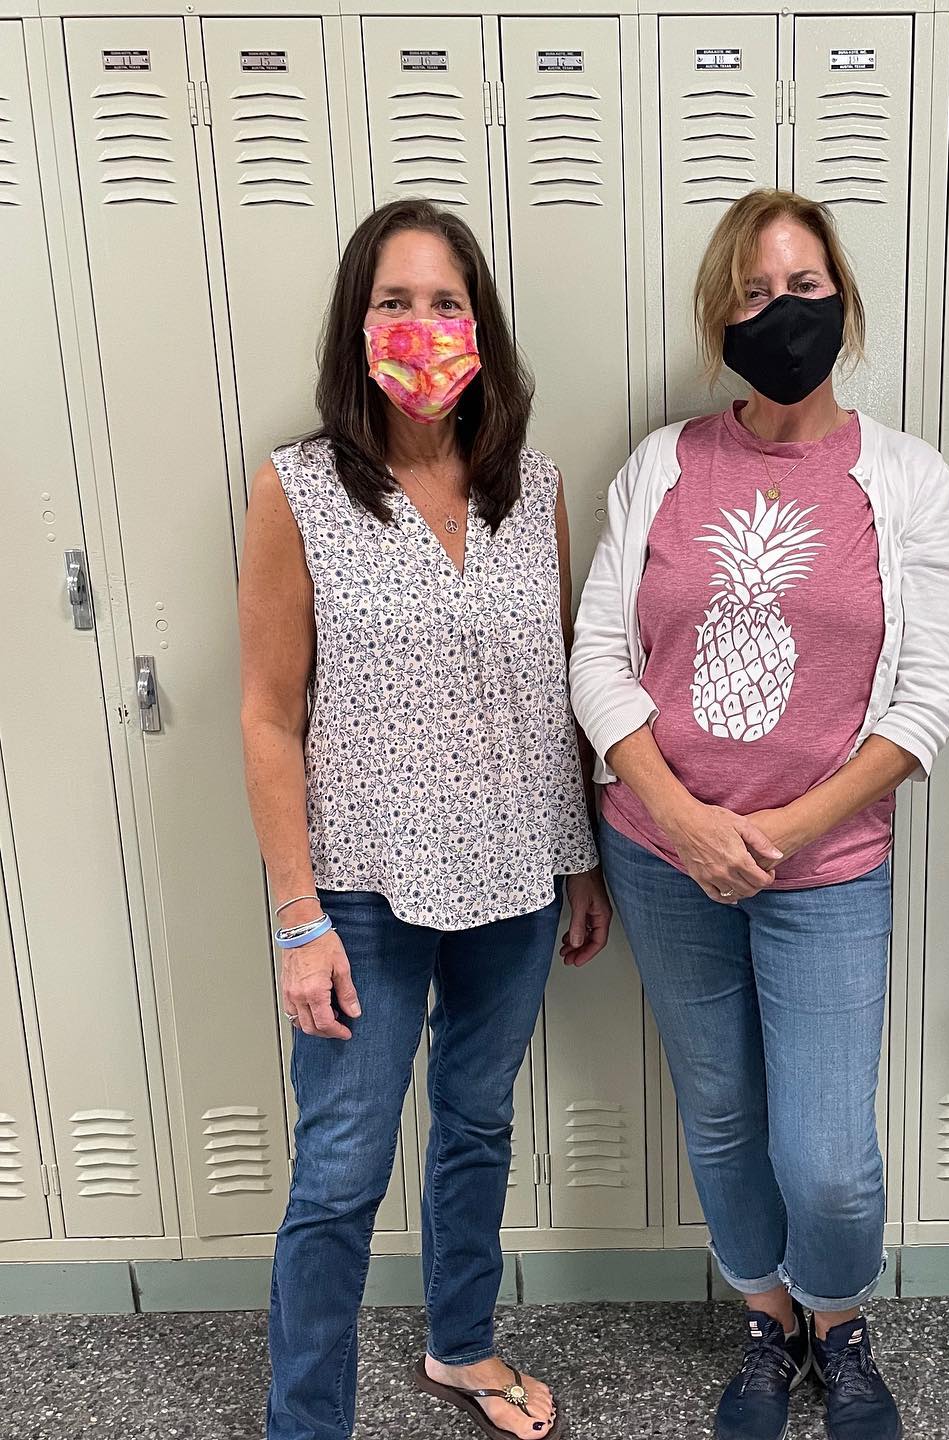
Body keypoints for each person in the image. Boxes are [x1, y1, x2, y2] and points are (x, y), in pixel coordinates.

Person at [570, 188, 949, 1440]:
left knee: (828, 1156)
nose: (780, 312)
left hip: (828, 866)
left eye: (802, 288)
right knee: (723, 1110)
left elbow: (928, 702)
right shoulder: (662, 465)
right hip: (660, 855)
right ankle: (769, 1320)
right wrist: (684, 820)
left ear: (843, 301)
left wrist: (777, 835)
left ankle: (840, 1325)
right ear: (717, 317)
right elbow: (596, 660)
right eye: (751, 292)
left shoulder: (906, 478)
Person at [239, 198, 610, 1440]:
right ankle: (308, 1422)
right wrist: (299, 917)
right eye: (393, 301)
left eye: (445, 302)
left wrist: (581, 861)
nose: (420, 325)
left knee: (477, 1121)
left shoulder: (532, 489)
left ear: (480, 326)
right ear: (356, 326)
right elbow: (267, 714)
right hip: (362, 887)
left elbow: (554, 687)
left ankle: (462, 1344)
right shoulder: (299, 490)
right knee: (342, 1172)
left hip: (514, 875)